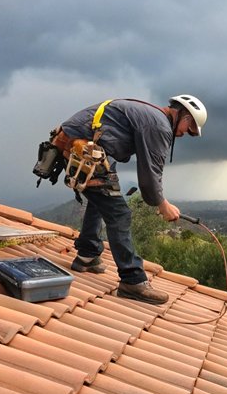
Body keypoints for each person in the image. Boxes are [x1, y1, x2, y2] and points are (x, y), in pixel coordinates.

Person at [57, 95, 207, 304]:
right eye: (188, 130)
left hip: (81, 145)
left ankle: (87, 254)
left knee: (102, 197)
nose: (183, 135)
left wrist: (158, 199)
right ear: (186, 117)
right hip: (82, 148)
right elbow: (149, 176)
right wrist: (162, 204)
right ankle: (132, 281)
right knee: (119, 213)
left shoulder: (152, 117)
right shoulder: (160, 126)